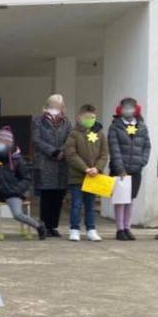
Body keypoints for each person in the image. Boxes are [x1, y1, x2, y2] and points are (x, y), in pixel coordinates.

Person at [0, 127, 47, 241]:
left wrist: (16, 190)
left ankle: (38, 226)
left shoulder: (18, 160)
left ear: (9, 143)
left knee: (17, 214)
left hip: (13, 194)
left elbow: (26, 179)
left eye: (3, 141)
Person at [63, 104, 108, 242]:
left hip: (94, 176)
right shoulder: (74, 134)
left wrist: (97, 168)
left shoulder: (100, 133)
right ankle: (74, 229)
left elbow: (104, 154)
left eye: (92, 117)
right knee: (76, 203)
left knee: (90, 204)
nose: (90, 119)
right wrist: (85, 168)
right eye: (86, 117)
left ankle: (91, 229)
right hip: (78, 176)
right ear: (79, 117)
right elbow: (70, 154)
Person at [108, 97, 151, 240]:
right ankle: (120, 229)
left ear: (136, 109)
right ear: (120, 109)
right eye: (125, 107)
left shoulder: (141, 126)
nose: (128, 110)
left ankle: (127, 227)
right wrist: (120, 168)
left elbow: (147, 146)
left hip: (136, 169)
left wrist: (142, 162)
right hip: (120, 169)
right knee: (120, 199)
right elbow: (114, 149)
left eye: (131, 107)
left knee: (130, 199)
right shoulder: (115, 126)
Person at [32, 94, 72, 237]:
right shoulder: (38, 121)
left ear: (62, 108)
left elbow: (70, 139)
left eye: (58, 106)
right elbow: (36, 140)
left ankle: (53, 226)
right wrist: (53, 152)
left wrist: (62, 151)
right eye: (52, 105)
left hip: (61, 164)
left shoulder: (66, 122)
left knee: (58, 195)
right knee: (47, 196)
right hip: (45, 162)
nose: (55, 108)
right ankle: (44, 226)